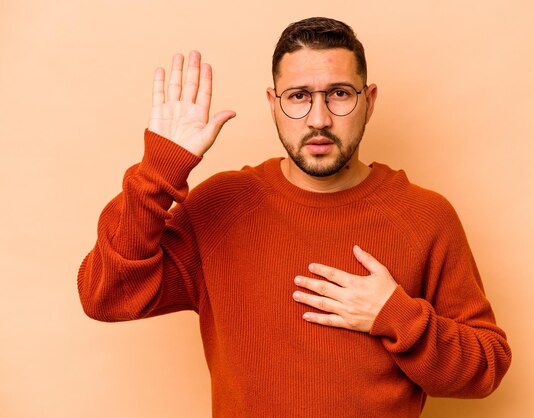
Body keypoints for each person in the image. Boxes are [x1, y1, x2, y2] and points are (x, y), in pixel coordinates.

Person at [78, 16, 511, 417]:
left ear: (369, 100)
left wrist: (394, 315)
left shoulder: (424, 216)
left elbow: (485, 369)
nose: (318, 119)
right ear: (273, 103)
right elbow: (106, 296)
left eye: (339, 94)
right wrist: (159, 170)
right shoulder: (221, 207)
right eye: (298, 97)